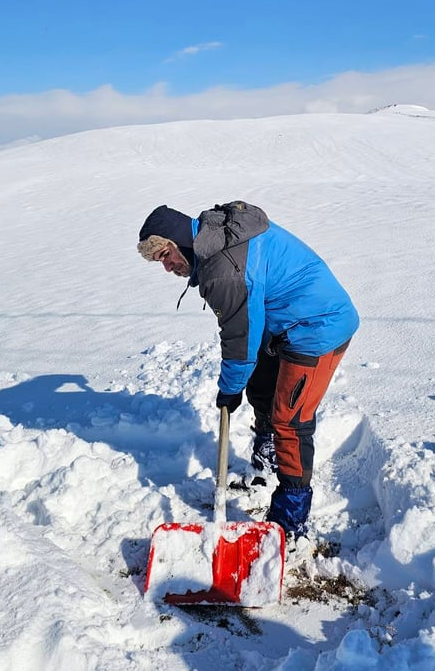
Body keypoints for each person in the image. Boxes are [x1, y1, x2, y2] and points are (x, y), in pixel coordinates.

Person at [137, 201, 359, 539]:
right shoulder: (218, 237)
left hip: (318, 326)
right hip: (287, 322)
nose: (167, 267)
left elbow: (240, 338)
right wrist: (240, 382)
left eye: (165, 255)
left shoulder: (221, 269)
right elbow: (249, 329)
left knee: (291, 422)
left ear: (179, 241)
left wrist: (228, 389)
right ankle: (268, 458)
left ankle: (290, 520)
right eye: (159, 262)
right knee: (260, 383)